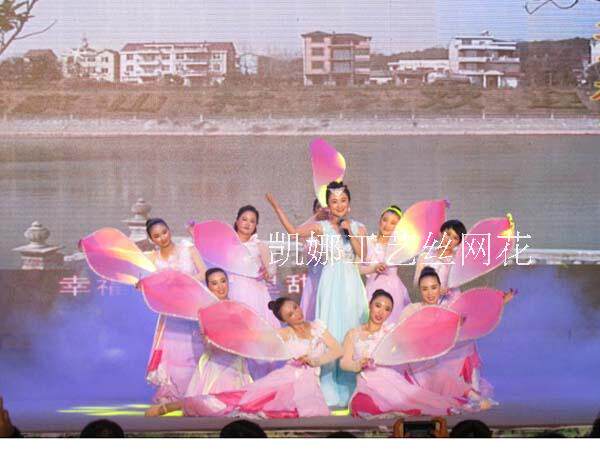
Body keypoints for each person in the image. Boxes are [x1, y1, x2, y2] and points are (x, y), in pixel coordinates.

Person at [266, 181, 369, 407]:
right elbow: (294, 233)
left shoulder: (359, 227)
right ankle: (329, 387)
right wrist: (277, 208)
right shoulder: (321, 228)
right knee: (331, 328)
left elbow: (363, 255)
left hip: (352, 284)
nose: (339, 205)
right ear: (328, 206)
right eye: (334, 201)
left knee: (352, 327)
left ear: (349, 204)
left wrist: (348, 231)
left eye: (343, 201)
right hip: (330, 283)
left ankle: (354, 387)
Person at [181, 297, 343, 418]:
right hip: (287, 377)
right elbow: (252, 337)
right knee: (245, 400)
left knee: (310, 410)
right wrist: (216, 333)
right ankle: (190, 404)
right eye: (290, 314)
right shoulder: (285, 333)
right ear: (285, 320)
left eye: (295, 307)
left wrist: (315, 361)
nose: (297, 313)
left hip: (309, 379)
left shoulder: (317, 327)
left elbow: (337, 350)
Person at [145, 268, 252, 417]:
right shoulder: (206, 310)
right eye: (214, 283)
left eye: (223, 281)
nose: (220, 287)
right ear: (208, 287)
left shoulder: (239, 308)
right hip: (216, 364)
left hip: (238, 364)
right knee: (215, 407)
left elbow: (248, 338)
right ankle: (169, 407)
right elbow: (209, 343)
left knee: (242, 405)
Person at [341, 290, 463, 418]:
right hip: (366, 383)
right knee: (361, 406)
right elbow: (344, 363)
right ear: (370, 304)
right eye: (378, 305)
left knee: (415, 401)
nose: (381, 312)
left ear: (390, 313)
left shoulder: (391, 333)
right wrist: (358, 365)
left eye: (387, 309)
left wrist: (450, 325)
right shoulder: (353, 334)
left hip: (391, 381)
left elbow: (420, 338)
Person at [409, 267, 515, 410]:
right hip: (421, 362)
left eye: (433, 288)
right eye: (425, 289)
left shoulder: (447, 310)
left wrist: (500, 302)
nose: (429, 293)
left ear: (440, 288)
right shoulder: (413, 309)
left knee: (467, 344)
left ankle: (473, 393)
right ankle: (473, 397)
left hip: (442, 355)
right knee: (440, 375)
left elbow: (476, 314)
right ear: (420, 290)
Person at [144, 218, 207, 404]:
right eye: (157, 236)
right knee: (174, 353)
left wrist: (183, 282)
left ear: (169, 230)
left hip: (193, 307)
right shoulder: (152, 259)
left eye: (164, 232)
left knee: (196, 349)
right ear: (151, 239)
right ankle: (174, 394)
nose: (162, 238)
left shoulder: (188, 249)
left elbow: (204, 273)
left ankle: (196, 393)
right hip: (171, 312)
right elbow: (150, 284)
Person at [360, 205, 411, 321]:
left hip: (394, 290)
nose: (387, 225)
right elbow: (358, 268)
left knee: (393, 323)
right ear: (379, 221)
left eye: (393, 223)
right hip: (373, 288)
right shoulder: (368, 242)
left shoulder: (398, 247)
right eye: (385, 220)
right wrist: (374, 268)